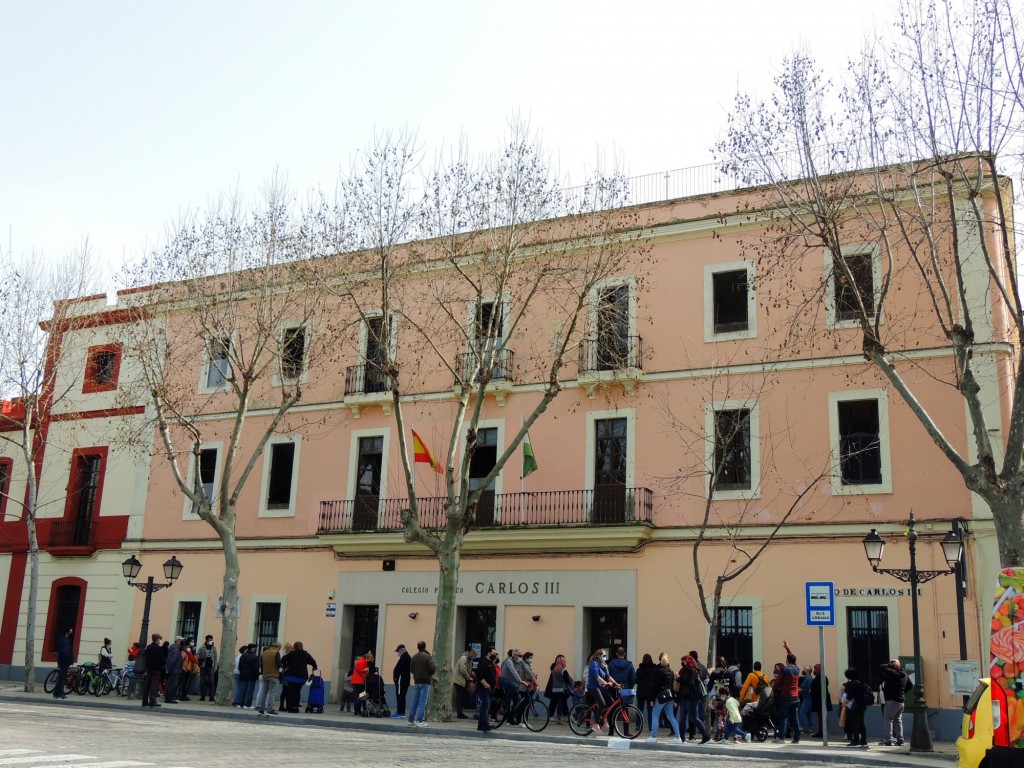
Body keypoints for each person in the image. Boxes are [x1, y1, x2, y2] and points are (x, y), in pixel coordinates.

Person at [644, 652, 682, 743]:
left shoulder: (658, 671)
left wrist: (652, 699)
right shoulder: (670, 671)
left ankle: (653, 737)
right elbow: (672, 685)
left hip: (660, 697)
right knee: (671, 716)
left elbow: (655, 686)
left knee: (655, 716)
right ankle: (678, 737)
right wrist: (675, 699)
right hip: (669, 696)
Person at [676, 655, 711, 744]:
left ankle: (706, 736)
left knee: (694, 717)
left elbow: (689, 682)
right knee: (682, 718)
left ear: (688, 661)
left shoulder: (693, 671)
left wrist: (679, 678)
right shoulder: (684, 670)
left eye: (683, 661)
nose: (682, 663)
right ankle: (682, 738)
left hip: (692, 697)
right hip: (684, 696)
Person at [773, 640, 800, 744]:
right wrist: (787, 648)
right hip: (796, 697)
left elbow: (777, 683)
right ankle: (796, 738)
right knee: (795, 718)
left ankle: (781, 738)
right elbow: (792, 658)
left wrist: (774, 690)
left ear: (787, 661)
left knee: (783, 717)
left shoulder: (784, 670)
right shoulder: (797, 669)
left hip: (786, 697)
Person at [879, 659, 911, 746]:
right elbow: (910, 685)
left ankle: (888, 740)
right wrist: (901, 692)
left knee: (888, 719)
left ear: (892, 666)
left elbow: (882, 666)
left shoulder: (893, 673)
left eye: (891, 663)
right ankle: (900, 739)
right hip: (901, 700)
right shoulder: (904, 674)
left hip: (892, 700)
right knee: (898, 720)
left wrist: (890, 665)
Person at [586, 649, 619, 734]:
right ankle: (596, 724)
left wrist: (616, 684)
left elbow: (608, 676)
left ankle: (603, 718)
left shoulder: (603, 665)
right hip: (593, 687)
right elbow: (597, 677)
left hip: (601, 687)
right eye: (604, 656)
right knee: (602, 704)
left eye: (605, 655)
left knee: (611, 702)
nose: (605, 657)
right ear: (599, 656)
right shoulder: (594, 664)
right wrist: (606, 683)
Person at [281, 641, 317, 713]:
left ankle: (291, 708)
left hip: (291, 676)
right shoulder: (306, 654)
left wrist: (285, 666)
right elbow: (313, 662)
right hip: (302, 677)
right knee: (297, 691)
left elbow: (283, 659)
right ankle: (296, 707)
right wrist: (314, 667)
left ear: (294, 647)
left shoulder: (292, 654)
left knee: (291, 692)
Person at [407, 640, 436, 726]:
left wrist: (416, 674)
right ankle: (419, 720)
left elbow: (411, 669)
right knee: (422, 701)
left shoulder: (414, 657)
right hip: (425, 681)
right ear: (425, 647)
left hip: (417, 680)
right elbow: (432, 668)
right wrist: (429, 673)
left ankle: (410, 720)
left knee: (415, 700)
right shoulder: (427, 657)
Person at [843, 668, 870, 747]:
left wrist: (845, 703)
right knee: (861, 723)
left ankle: (856, 741)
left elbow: (849, 696)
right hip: (862, 705)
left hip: (854, 706)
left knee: (855, 723)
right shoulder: (862, 683)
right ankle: (863, 740)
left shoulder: (851, 684)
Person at [254, 641, 282, 716]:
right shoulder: (276, 653)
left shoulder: (265, 652)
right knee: (271, 693)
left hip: (265, 674)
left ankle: (261, 708)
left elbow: (261, 664)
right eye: (279, 648)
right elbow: (278, 664)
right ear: (277, 647)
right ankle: (270, 708)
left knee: (264, 692)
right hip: (273, 675)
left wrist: (263, 673)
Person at [545, 654, 573, 725]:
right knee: (560, 704)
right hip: (561, 689)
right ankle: (559, 719)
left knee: (559, 703)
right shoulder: (563, 670)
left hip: (555, 689)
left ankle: (563, 716)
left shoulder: (554, 669)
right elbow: (567, 680)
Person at [475, 647, 497, 732]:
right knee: (485, 705)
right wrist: (485, 684)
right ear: (489, 653)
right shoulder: (483, 662)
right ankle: (484, 724)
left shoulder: (491, 663)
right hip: (484, 688)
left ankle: (482, 725)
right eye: (494, 654)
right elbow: (479, 674)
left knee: (487, 706)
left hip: (491, 688)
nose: (495, 656)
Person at [499, 649, 526, 717]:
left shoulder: (520, 662)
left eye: (522, 656)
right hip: (503, 679)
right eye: (519, 656)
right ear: (514, 655)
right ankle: (505, 702)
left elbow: (526, 669)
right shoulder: (509, 661)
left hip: (512, 682)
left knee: (517, 700)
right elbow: (513, 671)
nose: (521, 657)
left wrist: (534, 680)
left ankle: (511, 718)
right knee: (514, 685)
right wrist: (520, 681)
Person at [140, 633, 163, 708]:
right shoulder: (158, 648)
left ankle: (144, 700)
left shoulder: (148, 647)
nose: (160, 640)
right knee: (154, 685)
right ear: (157, 639)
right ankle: (153, 700)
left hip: (149, 668)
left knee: (147, 684)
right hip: (156, 669)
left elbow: (146, 657)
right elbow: (161, 659)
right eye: (159, 639)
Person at [809, 663, 833, 737]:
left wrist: (812, 692)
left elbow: (820, 689)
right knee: (820, 717)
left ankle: (822, 732)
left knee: (822, 717)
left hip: (820, 700)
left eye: (815, 669)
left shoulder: (821, 677)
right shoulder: (819, 677)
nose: (814, 670)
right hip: (819, 700)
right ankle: (820, 732)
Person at [453, 647, 476, 719]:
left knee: (462, 696)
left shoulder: (468, 660)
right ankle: (459, 713)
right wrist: (469, 678)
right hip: (458, 681)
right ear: (471, 653)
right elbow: (463, 670)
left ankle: (460, 713)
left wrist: (473, 673)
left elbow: (468, 669)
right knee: (459, 697)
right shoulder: (464, 658)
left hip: (462, 681)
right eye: (474, 655)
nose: (475, 657)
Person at [52, 628, 74, 700]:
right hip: (64, 661)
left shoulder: (62, 640)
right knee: (62, 678)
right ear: (67, 632)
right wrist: (69, 659)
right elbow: (66, 652)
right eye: (70, 632)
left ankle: (56, 693)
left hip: (62, 661)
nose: (71, 633)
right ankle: (60, 692)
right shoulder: (65, 641)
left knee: (61, 678)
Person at [236, 644, 259, 708]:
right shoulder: (254, 657)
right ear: (253, 648)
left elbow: (239, 666)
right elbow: (256, 668)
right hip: (251, 676)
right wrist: (256, 676)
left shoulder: (243, 656)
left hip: (243, 675)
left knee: (242, 690)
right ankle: (247, 704)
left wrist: (242, 672)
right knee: (250, 690)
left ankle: (240, 704)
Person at [351, 649, 373, 716]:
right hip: (358, 681)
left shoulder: (363, 662)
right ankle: (357, 710)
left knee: (361, 696)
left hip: (360, 681)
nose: (370, 661)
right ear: (367, 658)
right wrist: (366, 670)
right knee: (358, 696)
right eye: (370, 660)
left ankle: (358, 710)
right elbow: (363, 672)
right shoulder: (361, 662)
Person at [163, 636, 184, 704]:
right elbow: (173, 660)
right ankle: (169, 698)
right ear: (177, 641)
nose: (181, 643)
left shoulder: (173, 648)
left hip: (174, 669)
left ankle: (168, 697)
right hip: (175, 670)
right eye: (180, 641)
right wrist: (170, 669)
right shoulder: (176, 649)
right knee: (172, 684)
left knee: (170, 684)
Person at [197, 634, 218, 702]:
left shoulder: (213, 648)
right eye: (209, 640)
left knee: (211, 682)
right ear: (206, 641)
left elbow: (215, 657)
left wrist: (215, 667)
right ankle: (202, 696)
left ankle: (211, 696)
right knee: (202, 682)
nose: (211, 641)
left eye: (211, 640)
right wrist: (201, 657)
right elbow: (197, 655)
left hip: (210, 666)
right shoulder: (202, 647)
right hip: (203, 666)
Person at [392, 644, 410, 718]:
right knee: (401, 696)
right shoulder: (406, 657)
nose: (398, 653)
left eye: (398, 651)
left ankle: (400, 712)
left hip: (401, 680)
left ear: (401, 650)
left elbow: (400, 669)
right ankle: (401, 711)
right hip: (403, 680)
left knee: (400, 696)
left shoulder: (404, 657)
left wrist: (396, 677)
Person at [798, 664, 814, 733]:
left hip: (807, 697)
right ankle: (810, 727)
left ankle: (800, 726)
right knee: (808, 713)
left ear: (807, 670)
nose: (803, 670)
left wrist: (801, 690)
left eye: (804, 669)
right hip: (806, 697)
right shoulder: (808, 678)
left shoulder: (808, 679)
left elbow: (809, 690)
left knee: (802, 712)